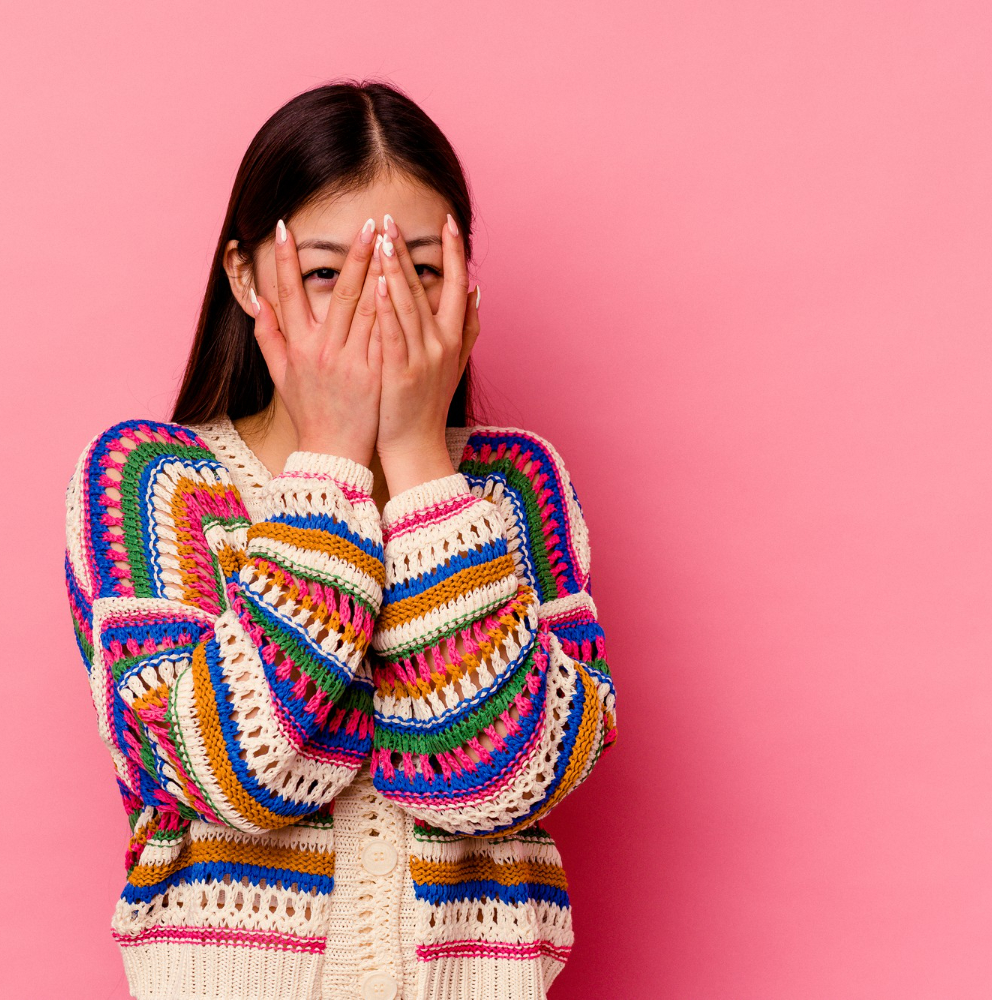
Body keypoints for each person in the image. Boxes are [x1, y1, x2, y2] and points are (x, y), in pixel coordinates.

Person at [63, 80, 617, 1000]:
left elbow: (496, 777)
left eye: (419, 274)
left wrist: (413, 457)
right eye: (328, 274)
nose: (377, 311)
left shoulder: (518, 487)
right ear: (246, 277)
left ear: (465, 283)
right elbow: (240, 775)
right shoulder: (148, 482)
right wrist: (330, 459)